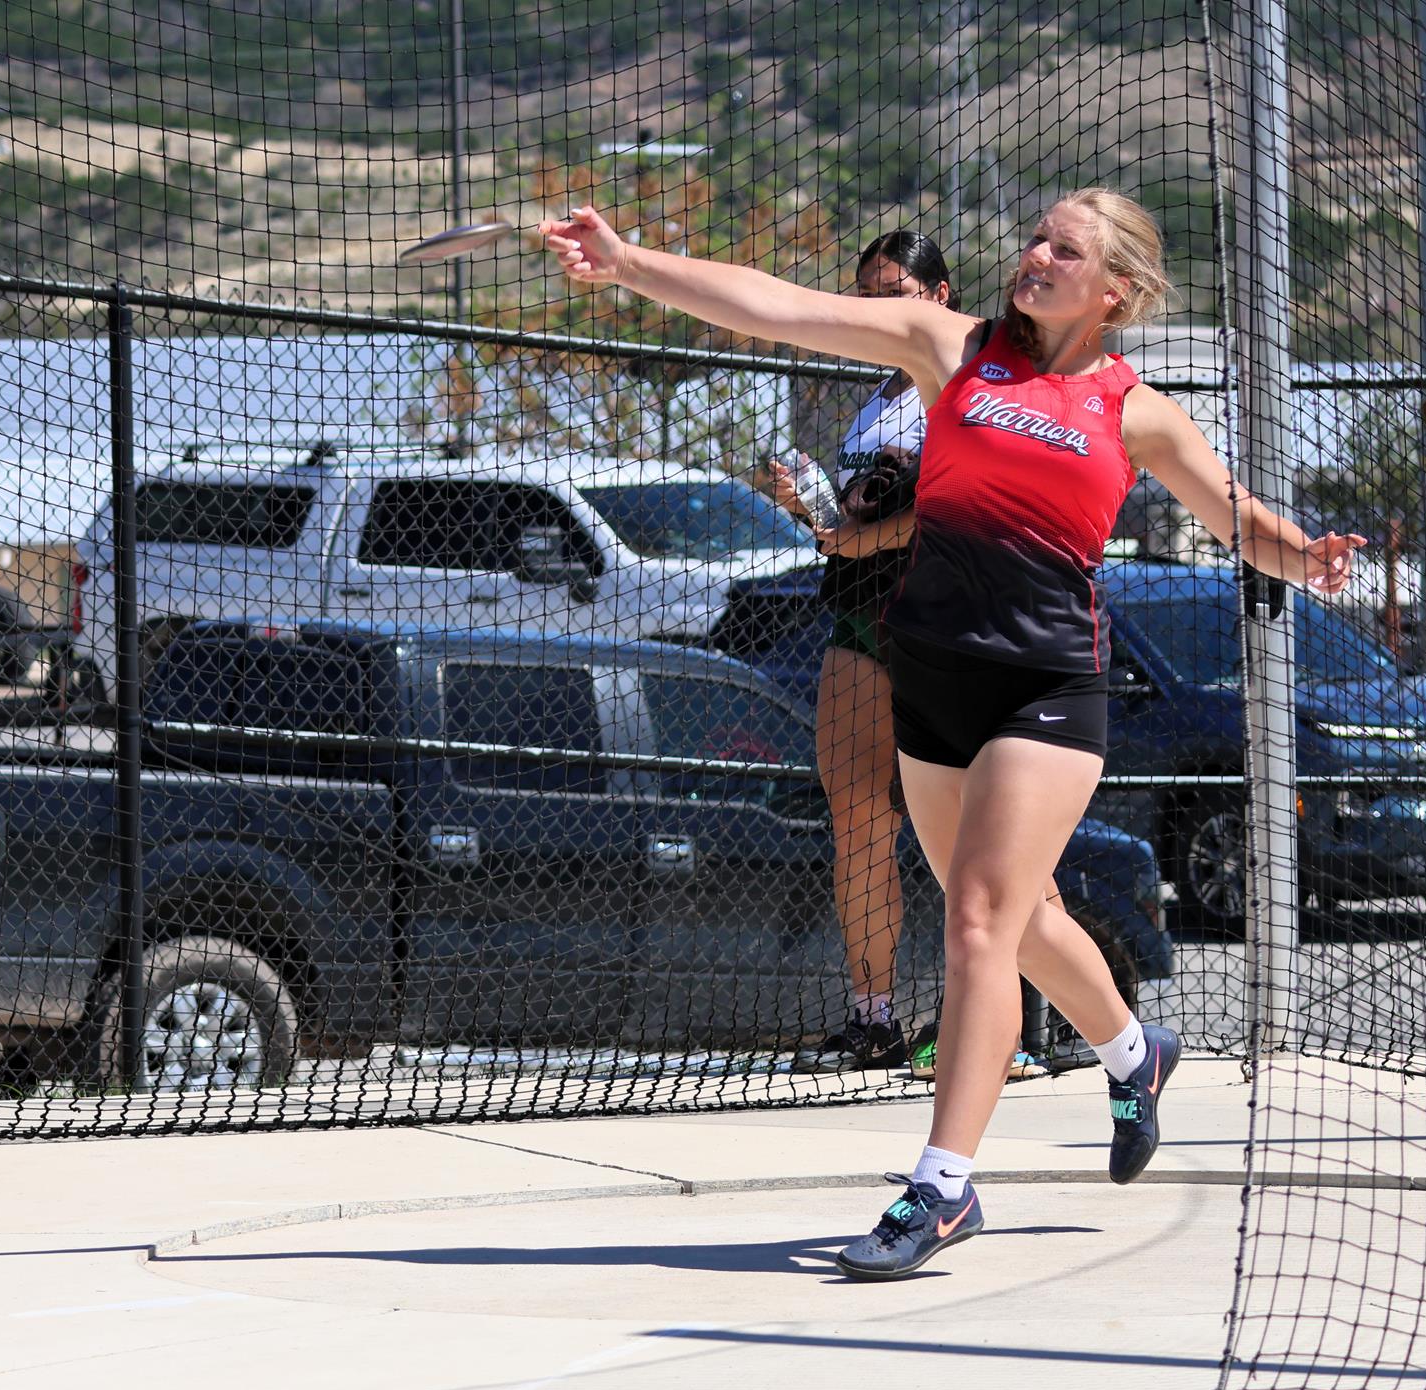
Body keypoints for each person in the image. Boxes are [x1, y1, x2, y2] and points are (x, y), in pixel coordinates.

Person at [543, 188, 1362, 1281]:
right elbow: (779, 307)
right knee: (1015, 918)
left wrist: (1305, 556)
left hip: (1048, 692)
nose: (1033, 256)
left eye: (1061, 249)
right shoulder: (953, 347)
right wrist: (630, 263)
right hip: (929, 681)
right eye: (1033, 238)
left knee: (977, 917)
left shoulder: (1133, 409)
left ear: (1111, 287)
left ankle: (940, 1185)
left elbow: (1237, 516)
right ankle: (1135, 1049)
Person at [770, 231, 1045, 1081]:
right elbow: (858, 528)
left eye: (891, 290)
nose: (873, 307)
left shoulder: (963, 377)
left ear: (938, 294)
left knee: (982, 833)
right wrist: (815, 512)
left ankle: (1026, 1024)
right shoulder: (875, 395)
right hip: (861, 618)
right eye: (861, 294)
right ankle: (873, 1018)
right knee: (856, 815)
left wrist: (865, 538)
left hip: (945, 620)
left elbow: (956, 506)